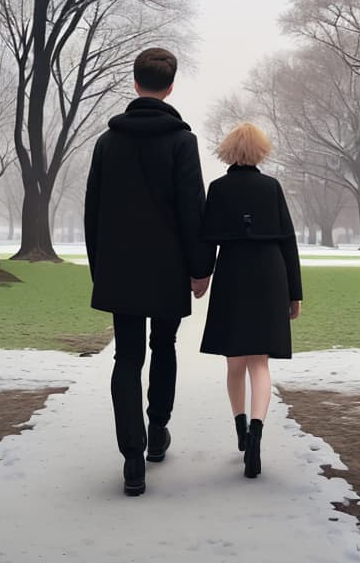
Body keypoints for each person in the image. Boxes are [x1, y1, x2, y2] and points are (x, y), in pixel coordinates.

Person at [84, 48, 215, 496]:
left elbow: (92, 212)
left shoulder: (107, 143)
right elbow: (191, 210)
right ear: (170, 86)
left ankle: (132, 460)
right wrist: (201, 269)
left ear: (135, 83)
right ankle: (157, 431)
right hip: (167, 267)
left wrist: (99, 266)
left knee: (126, 357)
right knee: (164, 345)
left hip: (120, 267)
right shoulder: (182, 141)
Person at [200, 122, 302, 479]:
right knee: (260, 363)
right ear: (260, 151)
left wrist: (201, 276)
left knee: (235, 363)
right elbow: (288, 240)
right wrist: (295, 293)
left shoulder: (218, 189)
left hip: (233, 274)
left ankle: (241, 430)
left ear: (228, 151)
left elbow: (206, 239)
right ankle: (257, 433)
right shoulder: (271, 187)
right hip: (270, 274)